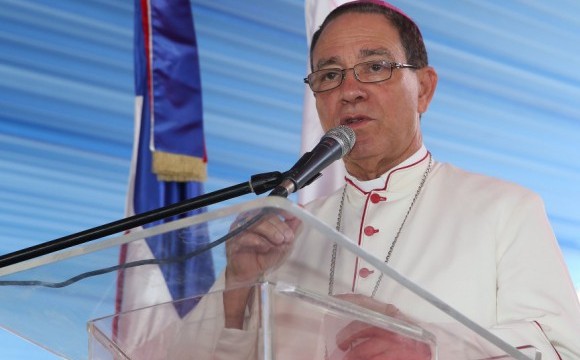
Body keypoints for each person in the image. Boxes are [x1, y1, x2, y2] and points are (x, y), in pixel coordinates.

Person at [170, 1, 580, 359]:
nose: (349, 91)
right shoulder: (281, 238)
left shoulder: (504, 209)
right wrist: (238, 287)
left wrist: (432, 349)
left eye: (376, 67)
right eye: (329, 76)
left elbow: (562, 350)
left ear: (423, 89)